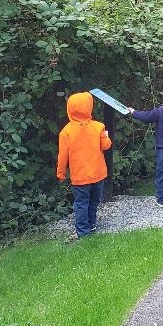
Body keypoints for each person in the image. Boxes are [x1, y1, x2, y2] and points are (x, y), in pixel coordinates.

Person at [56, 92, 112, 238]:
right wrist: (105, 135)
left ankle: (83, 231)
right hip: (98, 173)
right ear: (89, 108)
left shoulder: (66, 132)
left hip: (80, 177)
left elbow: (63, 156)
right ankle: (92, 224)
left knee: (81, 203)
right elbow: (106, 146)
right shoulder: (98, 126)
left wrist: (61, 173)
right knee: (94, 201)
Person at [127, 85, 163, 208]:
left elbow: (146, 117)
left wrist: (134, 112)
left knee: (161, 173)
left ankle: (161, 198)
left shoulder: (160, 111)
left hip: (162, 148)